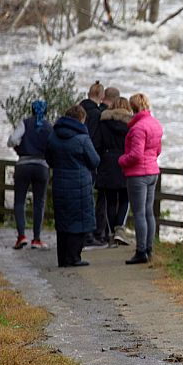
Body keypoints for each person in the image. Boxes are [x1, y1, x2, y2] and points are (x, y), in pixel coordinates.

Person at [45, 104, 100, 267]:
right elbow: (95, 160)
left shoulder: (53, 136)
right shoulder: (82, 138)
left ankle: (62, 259)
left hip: (60, 182)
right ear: (81, 119)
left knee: (63, 220)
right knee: (79, 220)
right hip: (79, 184)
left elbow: (48, 158)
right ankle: (74, 257)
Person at [118, 93, 163, 265]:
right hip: (152, 171)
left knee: (139, 213)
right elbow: (157, 150)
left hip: (138, 174)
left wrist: (121, 160)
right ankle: (149, 249)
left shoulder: (138, 128)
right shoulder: (155, 124)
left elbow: (136, 155)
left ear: (132, 108)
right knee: (148, 212)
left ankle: (141, 251)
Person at [7, 100, 53, 250]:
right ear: (45, 111)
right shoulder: (49, 127)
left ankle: (21, 236)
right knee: (39, 203)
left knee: (19, 201)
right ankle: (37, 239)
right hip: (41, 167)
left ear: (31, 110)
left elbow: (13, 140)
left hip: (23, 165)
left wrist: (19, 147)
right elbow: (53, 146)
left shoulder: (25, 123)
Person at [96, 96, 132, 244]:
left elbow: (97, 144)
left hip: (107, 161)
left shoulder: (103, 123)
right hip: (125, 161)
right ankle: (120, 229)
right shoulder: (131, 125)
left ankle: (111, 233)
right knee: (125, 198)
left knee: (110, 200)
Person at [80, 80, 109, 248]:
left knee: (82, 196)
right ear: (101, 96)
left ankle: (83, 233)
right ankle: (90, 235)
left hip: (76, 157)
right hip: (91, 158)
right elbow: (96, 138)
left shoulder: (79, 109)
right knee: (90, 198)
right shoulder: (97, 114)